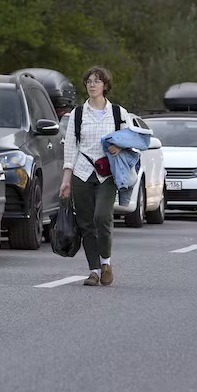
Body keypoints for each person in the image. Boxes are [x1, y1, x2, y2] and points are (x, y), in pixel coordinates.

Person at [59, 66, 133, 287]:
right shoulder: (78, 114)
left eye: (97, 81)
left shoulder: (119, 113)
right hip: (82, 172)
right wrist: (66, 179)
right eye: (89, 81)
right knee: (86, 223)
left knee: (102, 217)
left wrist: (119, 148)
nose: (92, 84)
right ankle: (93, 270)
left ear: (105, 86)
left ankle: (106, 263)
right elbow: (70, 147)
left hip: (108, 173)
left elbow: (133, 142)